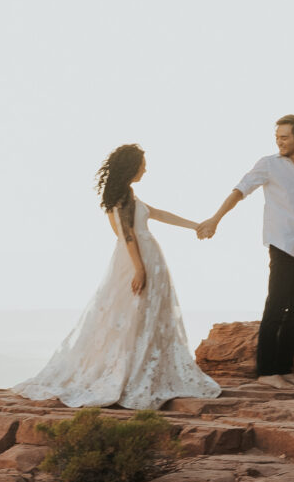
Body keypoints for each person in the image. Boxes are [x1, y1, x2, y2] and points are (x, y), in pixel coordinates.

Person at [16, 144, 221, 408]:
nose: (145, 170)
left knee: (144, 315)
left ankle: (146, 367)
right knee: (135, 313)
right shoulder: (122, 197)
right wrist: (139, 268)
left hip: (144, 257)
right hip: (138, 258)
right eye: (142, 165)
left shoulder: (129, 195)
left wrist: (196, 225)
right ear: (131, 166)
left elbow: (157, 214)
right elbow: (127, 234)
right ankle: (129, 372)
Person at [198, 115, 294, 379]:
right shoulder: (268, 165)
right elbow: (240, 190)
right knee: (275, 307)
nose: (280, 142)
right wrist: (215, 219)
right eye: (277, 138)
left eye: (285, 137)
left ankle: (285, 370)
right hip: (281, 242)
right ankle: (267, 373)